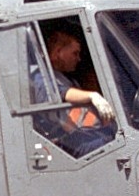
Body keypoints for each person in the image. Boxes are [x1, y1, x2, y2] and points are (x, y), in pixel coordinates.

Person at [36, 27, 116, 156]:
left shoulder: (68, 79)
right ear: (58, 52)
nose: (78, 59)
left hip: (83, 135)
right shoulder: (42, 78)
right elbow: (62, 93)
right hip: (67, 144)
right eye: (75, 53)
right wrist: (93, 96)